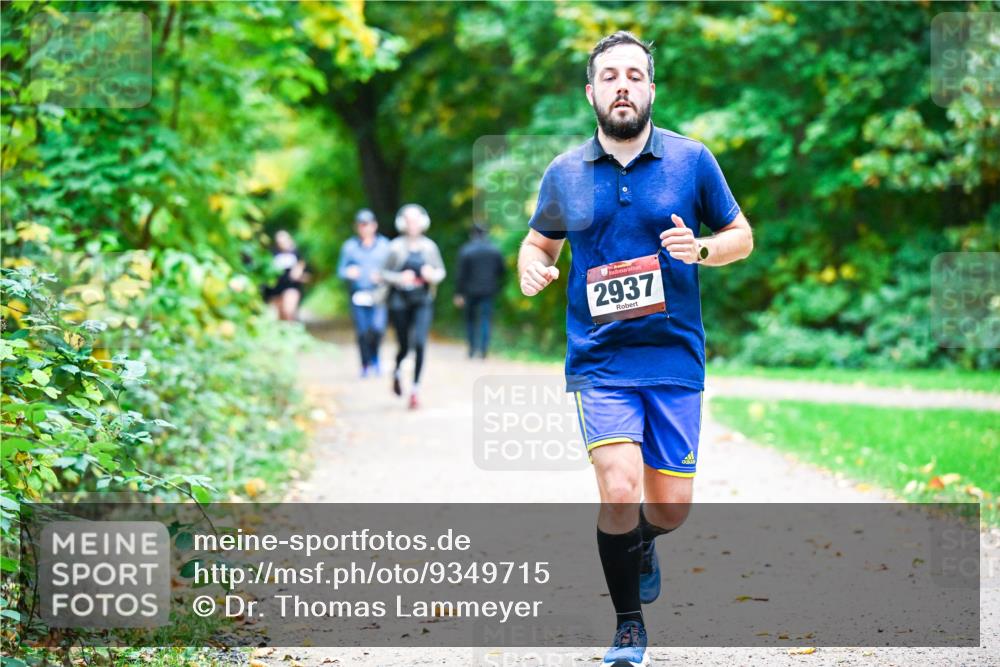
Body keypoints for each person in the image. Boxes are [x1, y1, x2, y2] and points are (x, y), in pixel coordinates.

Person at [517, 31, 753, 667]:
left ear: (650, 88)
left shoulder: (691, 160)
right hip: (601, 359)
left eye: (635, 75)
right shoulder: (566, 171)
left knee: (669, 511)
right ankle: (628, 625)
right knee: (619, 490)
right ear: (591, 92)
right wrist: (530, 268)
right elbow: (539, 242)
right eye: (610, 76)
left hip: (674, 355)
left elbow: (741, 235)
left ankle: (643, 542)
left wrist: (701, 249)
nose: (623, 85)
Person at [382, 203, 446, 410]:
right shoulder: (394, 247)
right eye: (409, 220)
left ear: (423, 222)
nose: (412, 224)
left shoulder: (430, 247)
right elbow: (383, 273)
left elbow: (440, 272)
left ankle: (415, 390)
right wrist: (400, 277)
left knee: (419, 343)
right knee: (403, 345)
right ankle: (398, 371)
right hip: (399, 302)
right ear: (402, 223)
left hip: (422, 301)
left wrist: (431, 275)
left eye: (416, 219)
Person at [337, 209, 391, 377]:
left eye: (367, 224)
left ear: (374, 226)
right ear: (357, 227)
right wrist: (349, 273)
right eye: (361, 225)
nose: (364, 228)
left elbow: (393, 269)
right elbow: (340, 271)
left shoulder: (385, 245)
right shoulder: (349, 247)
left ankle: (375, 358)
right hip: (358, 294)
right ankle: (365, 364)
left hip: (378, 294)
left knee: (377, 329)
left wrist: (383, 276)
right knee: (362, 331)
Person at [454, 224, 505, 359]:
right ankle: (483, 350)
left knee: (470, 320)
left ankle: (471, 349)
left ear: (472, 234)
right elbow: (501, 271)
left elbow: (460, 274)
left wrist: (459, 293)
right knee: (485, 320)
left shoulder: (466, 250)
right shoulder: (495, 250)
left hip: (469, 291)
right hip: (488, 291)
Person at [264, 229, 309, 321]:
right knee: (281, 316)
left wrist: (299, 273)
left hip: (291, 285)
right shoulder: (273, 254)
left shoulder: (296, 253)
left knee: (288, 311)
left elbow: (305, 271)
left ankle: (292, 329)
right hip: (276, 288)